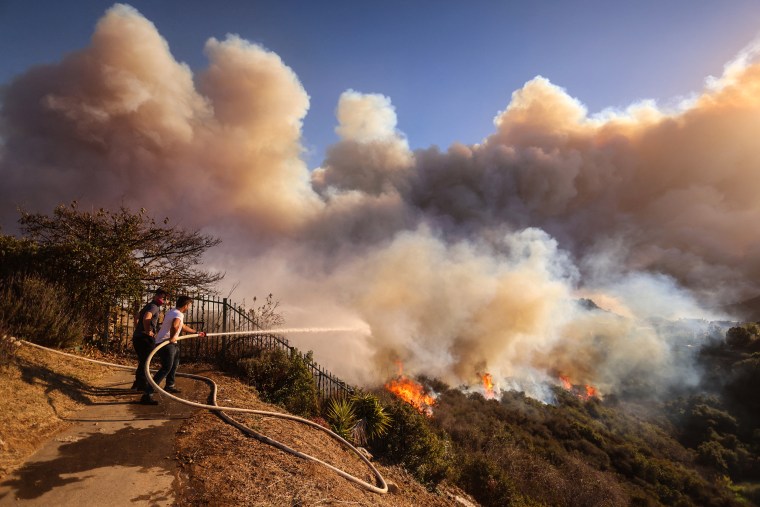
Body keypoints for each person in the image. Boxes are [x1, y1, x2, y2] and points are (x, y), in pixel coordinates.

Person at [140, 295, 205, 405]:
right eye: (189, 305)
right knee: (166, 368)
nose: (189, 307)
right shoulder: (178, 314)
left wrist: (196, 333)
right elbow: (175, 326)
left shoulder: (173, 312)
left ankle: (169, 385)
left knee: (174, 364)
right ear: (186, 305)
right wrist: (173, 336)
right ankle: (147, 394)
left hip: (168, 343)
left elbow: (181, 326)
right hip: (166, 343)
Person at [131, 289, 168, 391]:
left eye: (164, 299)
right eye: (161, 297)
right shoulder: (154, 307)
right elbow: (147, 318)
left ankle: (137, 384)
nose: (163, 300)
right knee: (146, 361)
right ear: (156, 296)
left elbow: (136, 317)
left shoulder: (148, 305)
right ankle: (142, 385)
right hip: (145, 339)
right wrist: (147, 331)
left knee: (143, 361)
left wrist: (138, 329)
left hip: (138, 337)